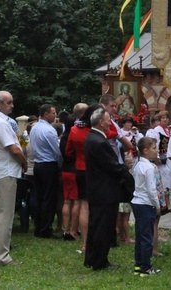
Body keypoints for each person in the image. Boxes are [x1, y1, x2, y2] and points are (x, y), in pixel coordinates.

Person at [0, 90, 27, 266]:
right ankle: (1, 256)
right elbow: (14, 149)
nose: (12, 105)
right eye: (9, 103)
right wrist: (24, 163)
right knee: (5, 216)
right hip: (5, 172)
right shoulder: (0, 123)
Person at [84, 106, 132, 270]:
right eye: (107, 119)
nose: (109, 122)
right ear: (100, 122)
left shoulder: (93, 138)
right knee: (102, 227)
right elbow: (111, 166)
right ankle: (99, 261)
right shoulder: (98, 141)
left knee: (96, 225)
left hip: (98, 189)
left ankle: (91, 258)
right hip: (104, 191)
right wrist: (124, 169)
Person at [66, 104, 94, 254]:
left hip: (79, 168)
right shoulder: (94, 131)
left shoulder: (74, 130)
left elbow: (68, 151)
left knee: (83, 204)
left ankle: (84, 243)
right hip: (93, 169)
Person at [29, 103, 61, 239]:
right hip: (48, 165)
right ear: (46, 114)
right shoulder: (49, 130)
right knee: (49, 197)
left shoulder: (35, 128)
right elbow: (57, 151)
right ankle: (45, 228)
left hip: (38, 164)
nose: (55, 116)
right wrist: (60, 165)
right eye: (53, 113)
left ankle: (38, 225)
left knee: (39, 196)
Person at [131, 136, 161, 276]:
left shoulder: (138, 164)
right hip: (146, 203)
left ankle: (139, 264)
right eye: (154, 148)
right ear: (145, 150)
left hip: (137, 202)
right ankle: (146, 266)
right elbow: (151, 189)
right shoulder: (148, 167)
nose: (156, 151)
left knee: (140, 235)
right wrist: (157, 204)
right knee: (146, 237)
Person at [59, 113, 79, 241]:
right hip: (75, 170)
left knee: (66, 201)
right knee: (76, 201)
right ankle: (73, 230)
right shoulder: (74, 139)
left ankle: (65, 229)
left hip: (65, 170)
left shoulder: (62, 139)